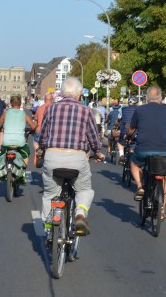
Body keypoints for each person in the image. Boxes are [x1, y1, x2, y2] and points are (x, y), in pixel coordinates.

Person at [38, 77, 104, 236]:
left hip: (52, 156)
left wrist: (41, 149)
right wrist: (98, 152)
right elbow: (93, 137)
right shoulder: (86, 110)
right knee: (84, 190)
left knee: (50, 194)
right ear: (79, 93)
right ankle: (80, 214)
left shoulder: (50, 109)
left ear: (61, 92)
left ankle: (48, 228)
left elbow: (44, 134)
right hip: (77, 158)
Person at [126, 87, 166, 209]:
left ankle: (140, 187)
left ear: (147, 98)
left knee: (134, 164)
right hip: (163, 151)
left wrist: (128, 136)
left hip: (143, 149)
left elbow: (132, 129)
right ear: (161, 98)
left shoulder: (139, 110)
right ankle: (162, 211)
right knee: (163, 178)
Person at [0, 95, 36, 173]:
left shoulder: (5, 113)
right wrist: (32, 130)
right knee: (25, 155)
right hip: (20, 142)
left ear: (11, 103)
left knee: (2, 154)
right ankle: (23, 172)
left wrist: (0, 126)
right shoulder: (24, 114)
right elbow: (33, 126)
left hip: (6, 142)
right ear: (20, 104)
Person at [33, 93, 54, 167]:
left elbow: (35, 121)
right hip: (51, 133)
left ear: (44, 100)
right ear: (52, 100)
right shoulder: (54, 108)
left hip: (40, 131)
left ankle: (38, 151)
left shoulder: (39, 108)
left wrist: (33, 128)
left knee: (35, 141)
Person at [117, 96, 139, 161]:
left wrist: (116, 126)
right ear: (137, 103)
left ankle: (121, 155)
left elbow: (119, 118)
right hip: (137, 131)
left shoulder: (123, 109)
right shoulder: (140, 109)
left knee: (120, 142)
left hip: (125, 130)